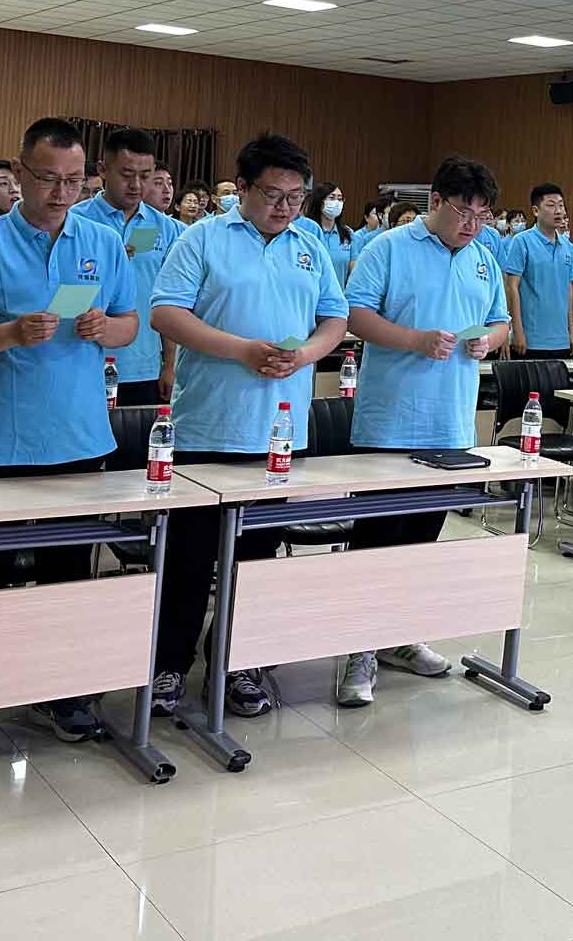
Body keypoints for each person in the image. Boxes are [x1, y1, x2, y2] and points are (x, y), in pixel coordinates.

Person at [0, 118, 137, 762]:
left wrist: (107, 329)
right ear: (19, 174)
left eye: (74, 181)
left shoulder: (101, 241)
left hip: (81, 439)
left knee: (67, 579)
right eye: (47, 179)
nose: (60, 193)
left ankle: (62, 694)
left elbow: (131, 323)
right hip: (0, 442)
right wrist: (9, 334)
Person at [149, 132, 349, 719]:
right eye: (272, 194)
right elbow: (166, 312)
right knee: (188, 559)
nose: (285, 207)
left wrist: (305, 355)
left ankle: (239, 663)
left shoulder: (309, 243)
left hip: (280, 431)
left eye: (296, 196)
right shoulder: (203, 238)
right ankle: (168, 664)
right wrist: (239, 349)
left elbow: (334, 318)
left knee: (257, 559)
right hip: (208, 425)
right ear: (242, 189)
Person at [339, 155, 509, 706]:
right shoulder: (388, 248)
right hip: (389, 421)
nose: (472, 225)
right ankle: (358, 649)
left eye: (482, 215)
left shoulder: (483, 258)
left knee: (421, 540)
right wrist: (413, 340)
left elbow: (501, 320)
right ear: (435, 202)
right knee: (377, 541)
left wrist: (489, 341)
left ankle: (400, 636)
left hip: (450, 423)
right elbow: (353, 315)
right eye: (464, 212)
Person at [73, 127, 182, 406]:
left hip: (144, 367)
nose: (136, 185)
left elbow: (170, 302)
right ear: (103, 170)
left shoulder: (167, 229)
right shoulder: (74, 222)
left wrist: (169, 364)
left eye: (145, 176)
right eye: (126, 174)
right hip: (81, 361)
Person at [501, 182, 573, 357]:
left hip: (561, 339)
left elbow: (569, 290)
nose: (558, 211)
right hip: (531, 339)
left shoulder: (569, 247)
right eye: (551, 205)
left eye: (561, 205)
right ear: (536, 211)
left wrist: (570, 333)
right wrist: (518, 331)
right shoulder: (522, 242)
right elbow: (511, 287)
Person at [302, 180, 354, 287]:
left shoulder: (348, 233)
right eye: (331, 198)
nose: (336, 203)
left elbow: (353, 272)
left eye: (340, 199)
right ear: (319, 201)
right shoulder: (307, 231)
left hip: (339, 294)